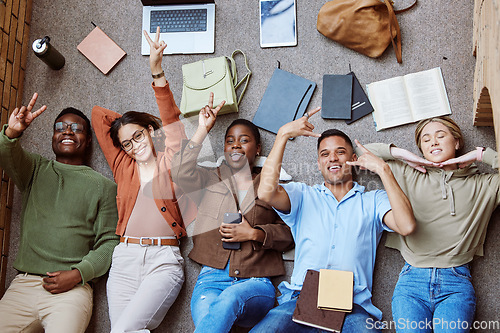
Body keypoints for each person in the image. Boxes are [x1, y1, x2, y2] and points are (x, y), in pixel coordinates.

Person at [250, 108, 416, 333]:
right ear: (319, 164)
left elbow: (407, 226)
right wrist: (282, 136)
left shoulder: (373, 200)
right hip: (298, 301)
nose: (333, 158)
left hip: (352, 307)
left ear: (354, 160)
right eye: (325, 154)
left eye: (340, 152)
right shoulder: (303, 195)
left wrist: (383, 170)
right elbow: (266, 193)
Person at [91, 28, 196, 333]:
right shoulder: (123, 164)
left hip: (163, 260)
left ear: (151, 131)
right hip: (124, 259)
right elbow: (99, 116)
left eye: (138, 135)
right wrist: (123, 128)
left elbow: (173, 124)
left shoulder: (171, 159)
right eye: (127, 143)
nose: (134, 145)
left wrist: (157, 72)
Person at [360, 116, 500, 333]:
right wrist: (406, 156)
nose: (433, 142)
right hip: (411, 282)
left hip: (456, 283)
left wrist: (481, 155)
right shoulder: (406, 173)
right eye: (426, 140)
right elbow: (359, 152)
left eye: (440, 136)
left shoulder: (484, 185)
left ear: (456, 142)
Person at [171, 95, 294, 333]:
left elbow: (290, 233)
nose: (236, 145)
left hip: (255, 281)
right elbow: (179, 172)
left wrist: (255, 234)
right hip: (211, 280)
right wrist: (202, 130)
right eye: (230, 141)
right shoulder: (209, 179)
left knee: (228, 301)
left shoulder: (270, 187)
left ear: (257, 148)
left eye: (244, 140)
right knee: (209, 320)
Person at [0, 94, 119, 333]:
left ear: (87, 142)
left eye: (76, 128)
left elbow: (110, 243)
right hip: (23, 285)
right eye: (60, 127)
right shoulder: (34, 169)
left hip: (71, 290)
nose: (67, 131)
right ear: (53, 137)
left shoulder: (104, 187)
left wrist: (77, 274)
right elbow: (6, 155)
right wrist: (12, 133)